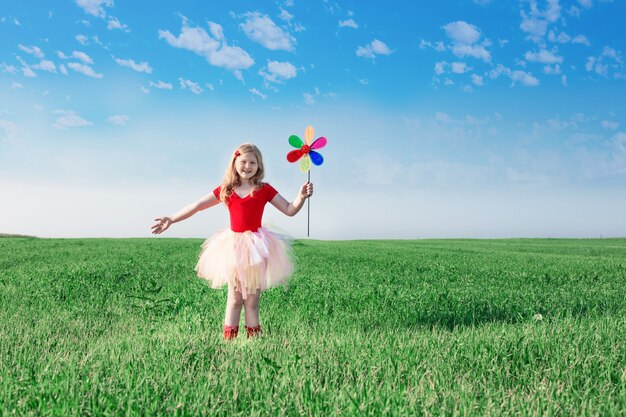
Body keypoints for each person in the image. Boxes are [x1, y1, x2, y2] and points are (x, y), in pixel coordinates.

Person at [151, 143, 312, 340]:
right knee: (235, 299)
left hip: (257, 247)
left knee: (252, 300)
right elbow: (197, 206)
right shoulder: (227, 189)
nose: (247, 166)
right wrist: (171, 218)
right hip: (233, 248)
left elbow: (289, 209)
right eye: (243, 161)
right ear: (235, 163)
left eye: (253, 162)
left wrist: (301, 197)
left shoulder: (264, 189)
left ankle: (254, 342)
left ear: (259, 166)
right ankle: (229, 341)